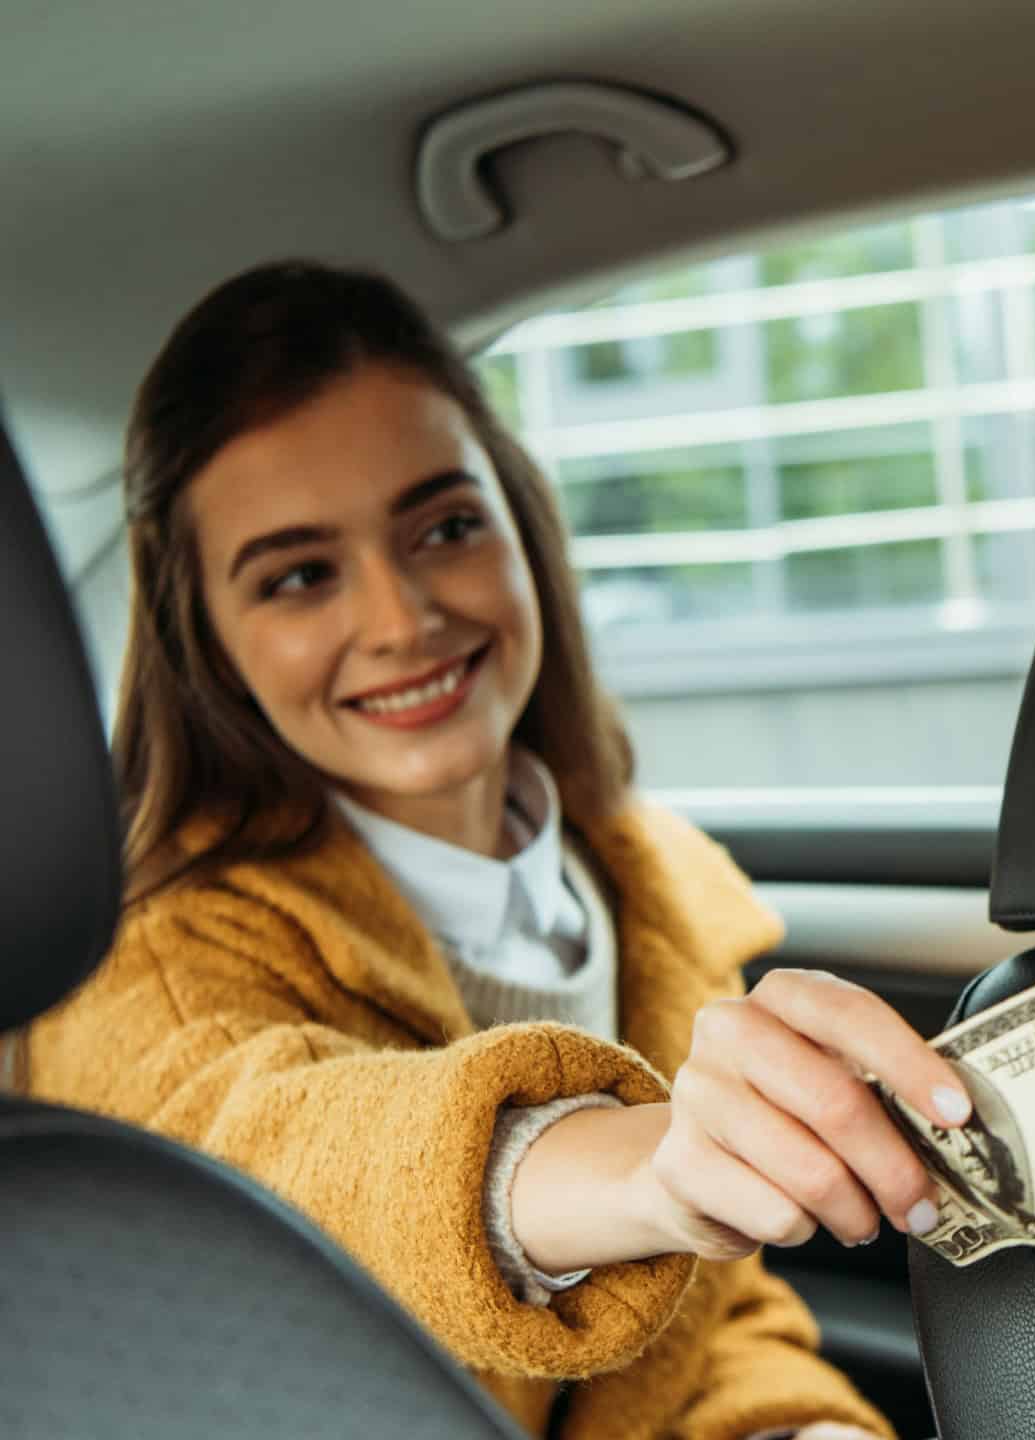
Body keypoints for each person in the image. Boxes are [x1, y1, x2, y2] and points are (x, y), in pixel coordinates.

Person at [26, 261, 975, 1439]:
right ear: (207, 638)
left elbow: (709, 1333)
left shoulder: (653, 887)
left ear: (523, 530)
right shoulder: (145, 962)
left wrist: (794, 1430)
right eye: (301, 576)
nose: (401, 618)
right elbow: (270, 1158)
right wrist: (645, 1167)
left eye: (445, 528)